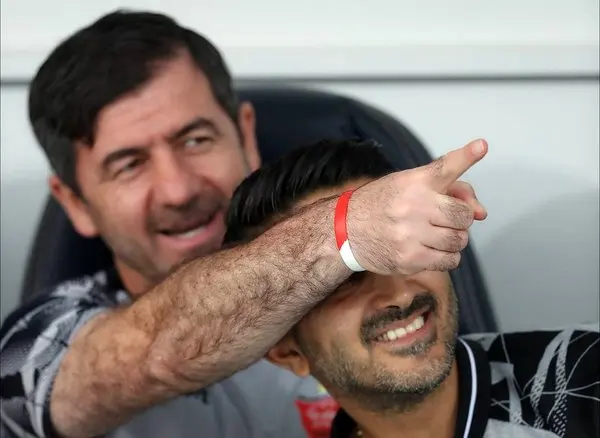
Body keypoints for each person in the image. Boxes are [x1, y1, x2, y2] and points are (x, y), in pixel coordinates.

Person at [0, 9, 489, 438]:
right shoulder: (36, 346)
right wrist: (346, 229)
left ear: (246, 135)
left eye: (196, 140)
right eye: (129, 165)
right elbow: (154, 355)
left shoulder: (383, 290)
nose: (178, 189)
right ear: (76, 203)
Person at [224, 139, 600, 438]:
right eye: (342, 277)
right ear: (287, 351)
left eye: (406, 251)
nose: (401, 294)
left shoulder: (583, 378)